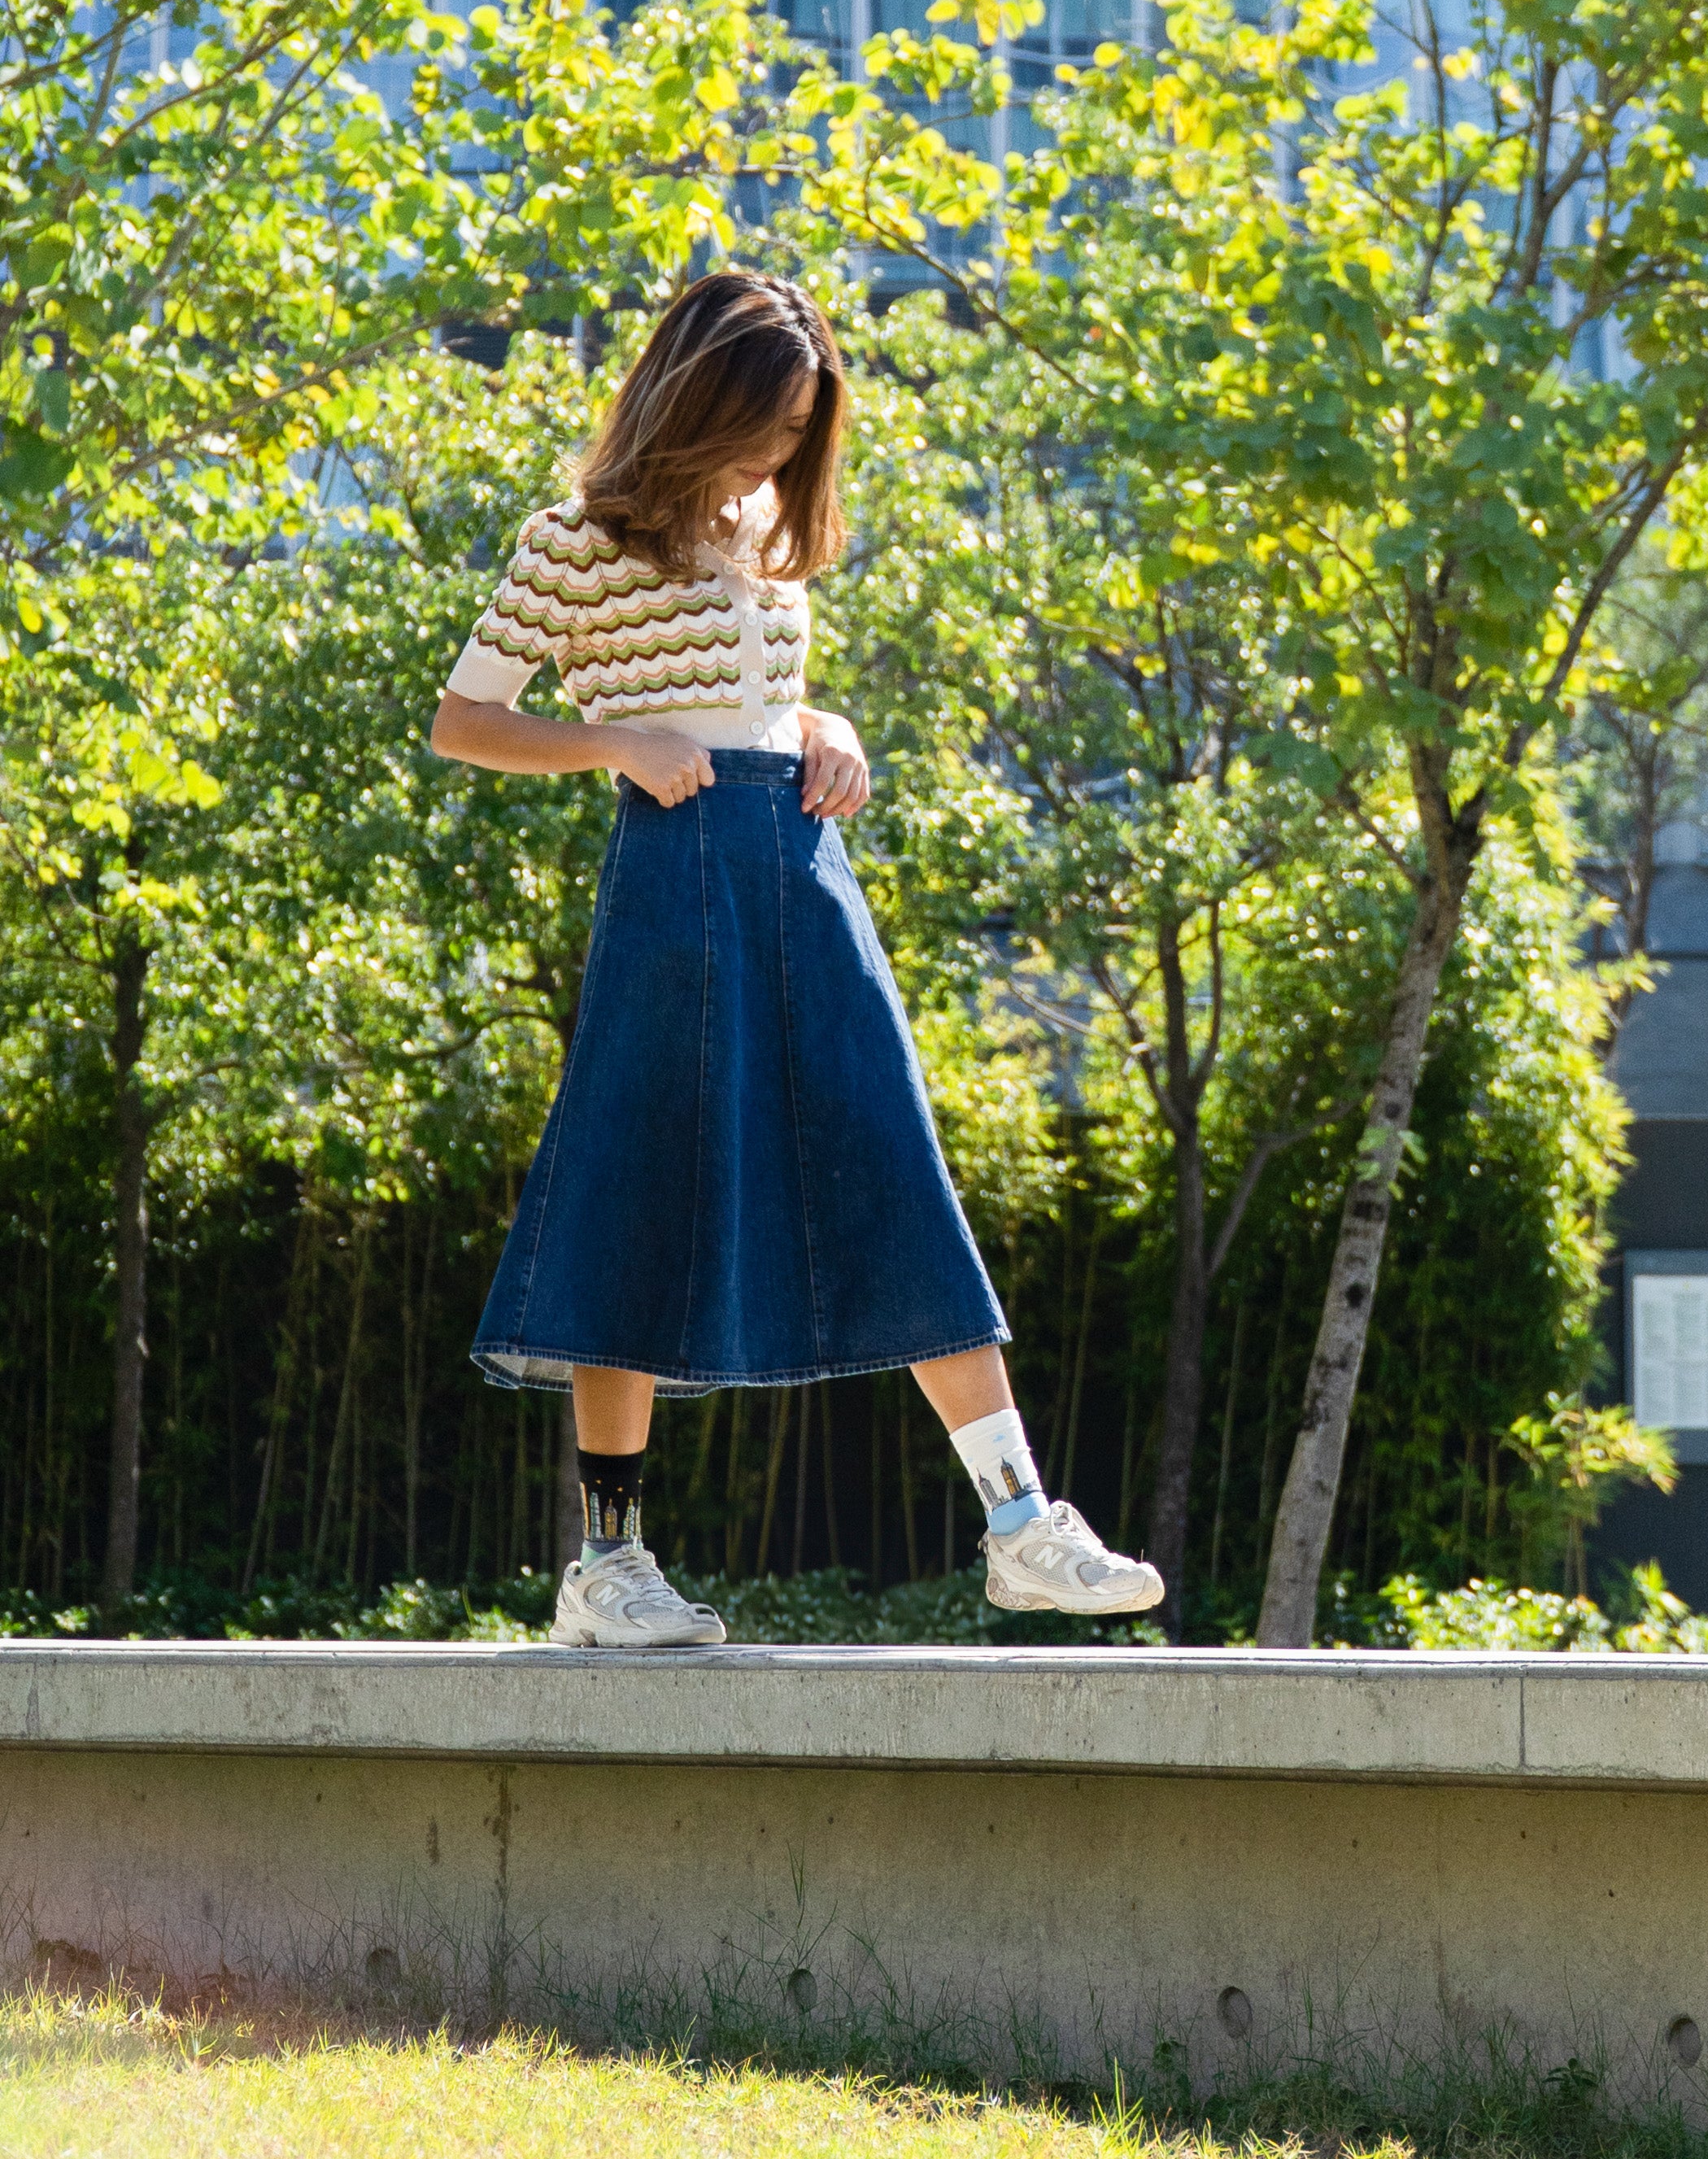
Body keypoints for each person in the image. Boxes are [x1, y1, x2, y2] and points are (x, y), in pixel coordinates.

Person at [429, 269, 1162, 1649]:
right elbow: (468, 721)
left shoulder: (768, 527)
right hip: (674, 876)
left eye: (798, 430)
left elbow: (755, 690)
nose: (777, 455)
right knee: (638, 1191)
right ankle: (608, 1568)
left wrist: (831, 729)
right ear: (692, 400)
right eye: (761, 425)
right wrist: (617, 744)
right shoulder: (575, 536)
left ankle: (1020, 1523)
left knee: (893, 1161)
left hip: (803, 870)